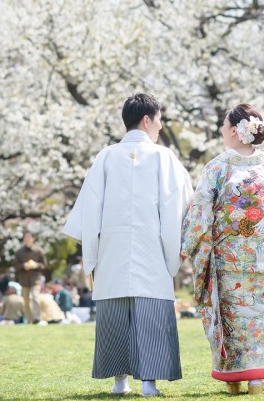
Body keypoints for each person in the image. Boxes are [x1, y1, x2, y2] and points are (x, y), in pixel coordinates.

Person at [63, 93, 193, 397]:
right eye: (159, 120)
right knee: (151, 310)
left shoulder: (106, 156)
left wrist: (93, 245)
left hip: (113, 244)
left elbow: (90, 204)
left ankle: (119, 381)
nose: (160, 126)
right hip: (154, 243)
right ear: (147, 119)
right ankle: (149, 384)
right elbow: (181, 201)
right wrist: (180, 241)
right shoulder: (164, 157)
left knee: (115, 310)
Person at [182, 103, 264, 395]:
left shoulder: (217, 167)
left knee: (233, 317)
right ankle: (256, 381)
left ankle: (234, 379)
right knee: (261, 316)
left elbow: (200, 211)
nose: (222, 132)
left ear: (236, 131)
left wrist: (188, 245)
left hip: (229, 261)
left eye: (224, 127)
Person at [14, 231, 47, 324]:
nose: (27, 240)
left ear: (33, 239)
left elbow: (44, 265)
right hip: (24, 280)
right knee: (26, 300)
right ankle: (29, 319)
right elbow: (15, 265)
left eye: (29, 238)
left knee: (34, 296)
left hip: (35, 279)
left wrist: (36, 265)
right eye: (25, 238)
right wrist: (23, 266)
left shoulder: (39, 251)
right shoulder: (19, 252)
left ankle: (37, 318)